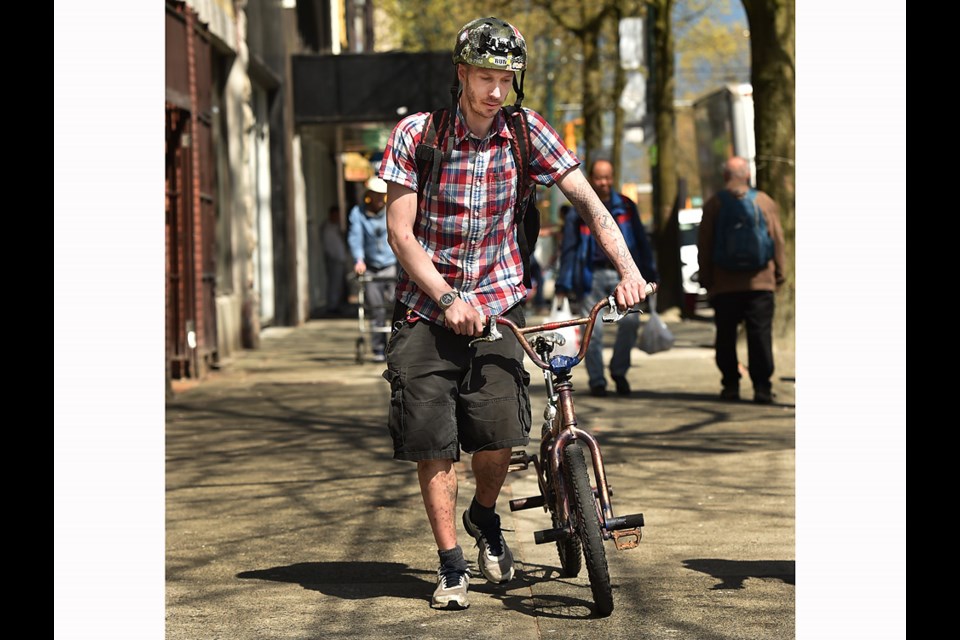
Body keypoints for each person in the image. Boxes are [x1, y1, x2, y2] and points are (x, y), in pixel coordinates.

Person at [377, 16, 649, 611]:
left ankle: (483, 516)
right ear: (461, 74)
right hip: (428, 310)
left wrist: (628, 270)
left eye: (505, 78)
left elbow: (590, 205)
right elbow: (401, 235)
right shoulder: (418, 135)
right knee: (434, 441)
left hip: (499, 306)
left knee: (500, 433)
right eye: (484, 77)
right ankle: (451, 565)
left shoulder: (528, 134)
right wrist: (448, 299)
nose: (495, 91)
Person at [554, 158, 660, 397]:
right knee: (593, 331)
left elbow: (642, 242)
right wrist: (563, 283)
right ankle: (597, 380)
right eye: (599, 177)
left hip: (622, 276)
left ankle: (619, 371)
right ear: (591, 178)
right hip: (590, 275)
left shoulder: (626, 206)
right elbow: (569, 249)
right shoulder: (576, 211)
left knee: (631, 323)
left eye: (608, 177)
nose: (604, 182)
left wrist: (650, 274)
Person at [696, 156, 786, 404]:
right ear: (747, 175)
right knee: (760, 335)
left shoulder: (715, 204)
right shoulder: (765, 202)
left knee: (725, 336)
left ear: (726, 177)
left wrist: (706, 278)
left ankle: (731, 385)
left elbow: (704, 244)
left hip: (724, 285)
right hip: (761, 283)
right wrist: (779, 274)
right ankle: (762, 386)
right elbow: (777, 240)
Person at [347, 176, 397, 362]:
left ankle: (396, 347)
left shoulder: (390, 211)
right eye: (374, 196)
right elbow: (355, 237)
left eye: (381, 196)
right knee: (376, 309)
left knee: (394, 307)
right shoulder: (357, 213)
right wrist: (358, 259)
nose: (377, 200)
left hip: (390, 264)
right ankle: (378, 348)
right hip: (370, 267)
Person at [321, 204, 347, 315]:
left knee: (339, 284)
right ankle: (332, 306)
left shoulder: (336, 227)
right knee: (334, 284)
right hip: (333, 259)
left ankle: (336, 304)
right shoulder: (327, 228)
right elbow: (329, 246)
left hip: (340, 259)